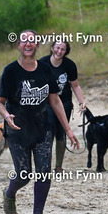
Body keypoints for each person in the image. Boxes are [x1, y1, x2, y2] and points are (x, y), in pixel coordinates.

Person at [0, 30, 80, 214]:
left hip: (42, 129)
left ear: (37, 45)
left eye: (32, 41)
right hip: (17, 131)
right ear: (18, 45)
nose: (28, 44)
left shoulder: (45, 70)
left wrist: (68, 130)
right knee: (23, 175)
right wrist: (6, 116)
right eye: (24, 41)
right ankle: (10, 193)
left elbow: (55, 101)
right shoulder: (10, 71)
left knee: (44, 173)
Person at [39, 41, 86, 172]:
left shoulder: (69, 65)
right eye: (57, 48)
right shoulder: (42, 63)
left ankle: (58, 166)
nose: (59, 51)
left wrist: (81, 101)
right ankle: (45, 165)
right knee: (48, 131)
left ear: (66, 51)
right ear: (52, 48)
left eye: (63, 49)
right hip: (47, 103)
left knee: (62, 132)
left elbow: (75, 85)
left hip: (64, 102)